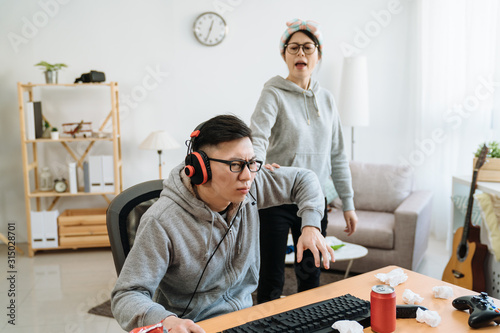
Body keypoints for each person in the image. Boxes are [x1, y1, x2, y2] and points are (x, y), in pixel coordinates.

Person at [111, 114, 335, 333]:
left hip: (246, 320)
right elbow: (127, 295)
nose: (247, 175)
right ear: (200, 168)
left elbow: (304, 179)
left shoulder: (251, 187)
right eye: (236, 164)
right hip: (192, 327)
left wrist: (311, 226)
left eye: (251, 162)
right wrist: (166, 320)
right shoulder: (161, 221)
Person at [250, 19, 358, 304]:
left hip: (313, 199)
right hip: (275, 197)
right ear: (284, 54)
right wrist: (256, 167)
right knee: (271, 276)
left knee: (310, 274)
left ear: (318, 55)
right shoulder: (272, 93)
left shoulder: (328, 100)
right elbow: (257, 137)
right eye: (293, 47)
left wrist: (348, 203)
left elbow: (337, 154)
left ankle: (309, 323)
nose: (301, 54)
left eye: (307, 48)